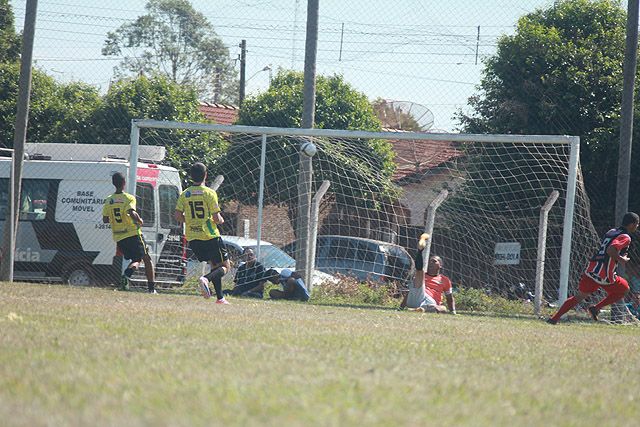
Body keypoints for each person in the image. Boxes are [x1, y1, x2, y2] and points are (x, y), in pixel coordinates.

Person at [548, 212, 639, 324]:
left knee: (578, 296)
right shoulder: (626, 237)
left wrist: (620, 255)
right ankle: (596, 308)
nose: (637, 226)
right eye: (637, 224)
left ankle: (554, 319)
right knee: (624, 289)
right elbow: (610, 250)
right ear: (632, 224)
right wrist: (621, 259)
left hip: (592, 269)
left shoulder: (612, 231)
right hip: (605, 274)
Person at [175, 162, 230, 304]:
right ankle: (206, 279)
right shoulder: (209, 193)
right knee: (225, 266)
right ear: (206, 175)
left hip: (193, 237)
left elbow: (177, 215)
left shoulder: (185, 194)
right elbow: (217, 219)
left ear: (191, 176)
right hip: (210, 236)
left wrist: (191, 221)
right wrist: (221, 219)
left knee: (214, 265)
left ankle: (220, 298)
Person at [102, 172, 156, 293]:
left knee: (136, 259)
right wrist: (139, 220)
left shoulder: (109, 200)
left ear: (113, 184)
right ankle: (151, 289)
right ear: (124, 183)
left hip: (119, 236)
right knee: (146, 258)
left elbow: (105, 220)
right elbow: (132, 212)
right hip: (132, 233)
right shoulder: (128, 198)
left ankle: (126, 277)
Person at [401, 233, 456, 314]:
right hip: (418, 297)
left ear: (440, 265)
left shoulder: (445, 280)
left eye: (434, 261)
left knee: (443, 308)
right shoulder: (423, 276)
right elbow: (411, 291)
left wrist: (453, 311)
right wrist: (400, 307)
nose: (431, 263)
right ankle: (420, 250)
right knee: (420, 273)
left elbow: (449, 297)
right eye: (430, 261)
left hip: (431, 303)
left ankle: (419, 309)